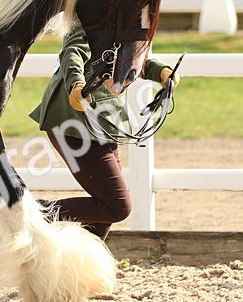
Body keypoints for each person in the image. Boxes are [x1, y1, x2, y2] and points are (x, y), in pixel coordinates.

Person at [28, 24, 177, 239]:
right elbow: (73, 53)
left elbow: (125, 61)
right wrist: (76, 84)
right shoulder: (91, 13)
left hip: (103, 123)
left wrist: (160, 72)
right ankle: (33, 212)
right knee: (117, 207)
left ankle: (80, 267)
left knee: (104, 214)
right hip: (74, 121)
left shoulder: (124, 16)